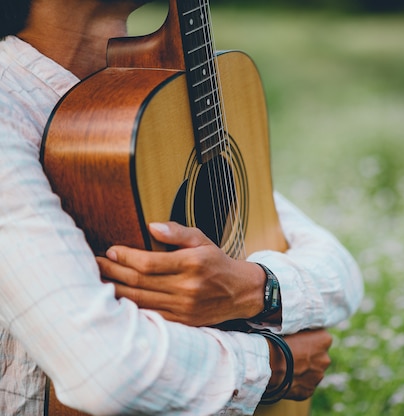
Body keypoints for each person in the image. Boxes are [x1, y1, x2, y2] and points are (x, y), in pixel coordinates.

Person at [0, 0, 363, 414]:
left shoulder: (153, 102)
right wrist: (276, 364)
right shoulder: (7, 116)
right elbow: (109, 371)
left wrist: (254, 288)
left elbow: (343, 272)